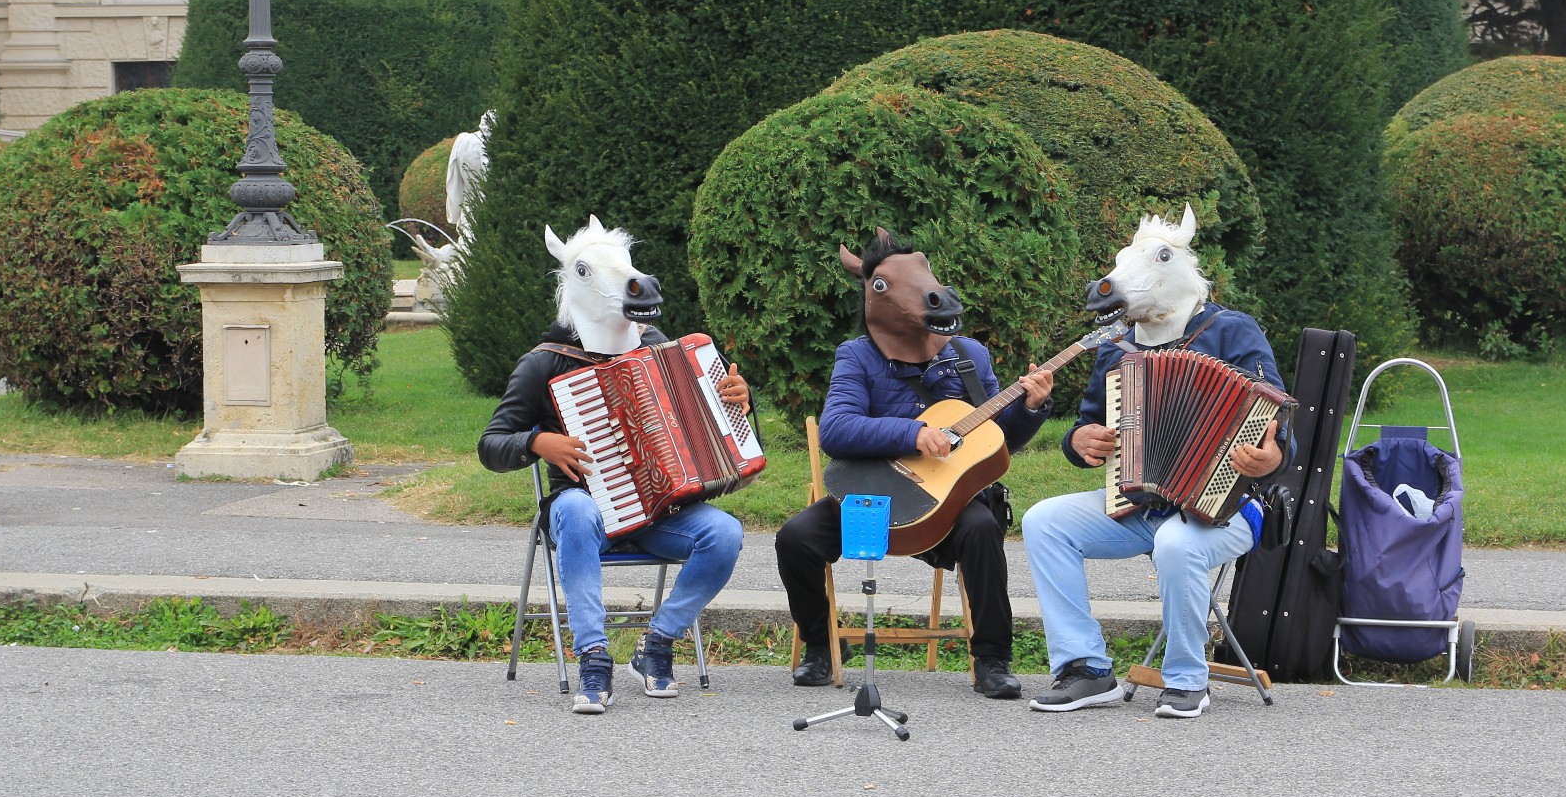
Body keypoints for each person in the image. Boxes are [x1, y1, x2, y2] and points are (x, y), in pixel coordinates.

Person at [1023, 207, 1291, 719]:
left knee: (1177, 541)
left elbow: (1277, 428)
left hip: (1228, 509)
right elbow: (1085, 429)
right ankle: (1086, 669)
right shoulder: (1116, 348)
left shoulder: (1232, 332)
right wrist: (1080, 439)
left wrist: (1270, 457)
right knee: (1043, 523)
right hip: (1139, 504)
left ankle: (1188, 679)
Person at [479, 217, 751, 715]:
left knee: (726, 534)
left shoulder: (656, 349)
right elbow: (491, 444)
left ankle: (657, 644)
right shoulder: (544, 363)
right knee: (579, 510)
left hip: (661, 514)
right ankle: (593, 656)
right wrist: (539, 442)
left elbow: (704, 420)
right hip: (583, 511)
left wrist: (735, 402)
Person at [775, 229, 1053, 700]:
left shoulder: (970, 357)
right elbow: (837, 429)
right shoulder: (857, 356)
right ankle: (821, 648)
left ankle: (992, 660)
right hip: (869, 496)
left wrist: (1030, 408)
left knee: (983, 529)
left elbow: (997, 444)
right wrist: (912, 433)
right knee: (795, 538)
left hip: (945, 506)